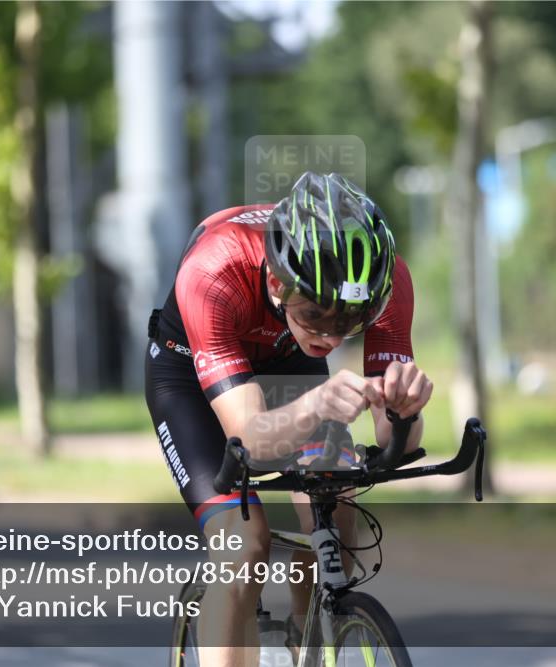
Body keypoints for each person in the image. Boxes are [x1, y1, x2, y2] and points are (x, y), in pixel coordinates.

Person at [144, 171, 433, 667]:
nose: (332, 335)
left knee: (335, 506)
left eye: (351, 321)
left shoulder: (381, 282)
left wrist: (404, 412)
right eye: (317, 314)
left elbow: (395, 444)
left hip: (289, 362)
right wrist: (318, 405)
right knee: (242, 544)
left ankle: (310, 642)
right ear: (278, 283)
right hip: (190, 374)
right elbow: (251, 439)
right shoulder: (214, 271)